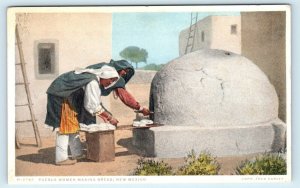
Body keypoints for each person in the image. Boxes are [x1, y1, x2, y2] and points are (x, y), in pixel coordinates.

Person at [45, 65, 120, 165]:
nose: (111, 83)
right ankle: (61, 158)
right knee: (64, 127)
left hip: (65, 96)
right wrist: (109, 118)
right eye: (111, 79)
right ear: (105, 76)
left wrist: (104, 116)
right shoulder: (92, 82)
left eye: (113, 81)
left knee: (73, 125)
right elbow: (92, 106)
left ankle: (77, 154)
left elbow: (95, 104)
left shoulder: (93, 79)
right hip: (59, 95)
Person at [86, 59, 151, 119]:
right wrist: (141, 109)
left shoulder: (105, 67)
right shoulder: (114, 76)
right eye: (125, 70)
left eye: (127, 72)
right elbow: (126, 98)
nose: (125, 73)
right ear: (120, 67)